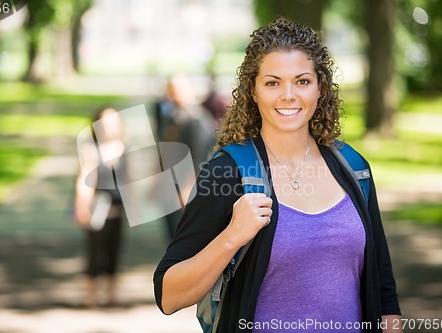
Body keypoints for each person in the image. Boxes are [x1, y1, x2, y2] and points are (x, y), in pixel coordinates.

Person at [153, 17, 402, 332]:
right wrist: (232, 236)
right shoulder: (228, 172)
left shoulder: (353, 168)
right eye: (272, 82)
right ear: (253, 91)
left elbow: (384, 290)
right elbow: (168, 294)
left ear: (320, 88)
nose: (288, 95)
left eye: (302, 81)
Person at [74, 106, 126, 308]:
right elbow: (86, 180)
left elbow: (129, 180)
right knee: (95, 252)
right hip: (98, 208)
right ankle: (91, 296)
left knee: (114, 250)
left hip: (118, 208)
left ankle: (111, 293)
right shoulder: (92, 149)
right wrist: (81, 206)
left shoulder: (124, 147)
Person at [154, 74, 216, 241]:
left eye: (177, 90)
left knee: (181, 235)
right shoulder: (173, 116)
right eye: (170, 90)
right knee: (170, 233)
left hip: (184, 185)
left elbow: (199, 157)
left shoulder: (198, 119)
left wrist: (188, 188)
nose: (173, 94)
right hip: (168, 182)